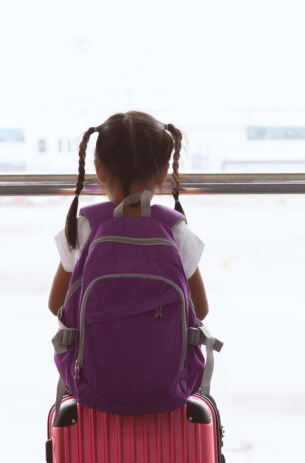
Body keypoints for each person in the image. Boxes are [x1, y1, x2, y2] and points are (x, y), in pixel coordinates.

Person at [48, 111, 208, 320]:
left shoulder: (84, 229)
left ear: (99, 169)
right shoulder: (174, 231)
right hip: (160, 353)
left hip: (97, 354)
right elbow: (200, 310)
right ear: (163, 172)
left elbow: (57, 304)